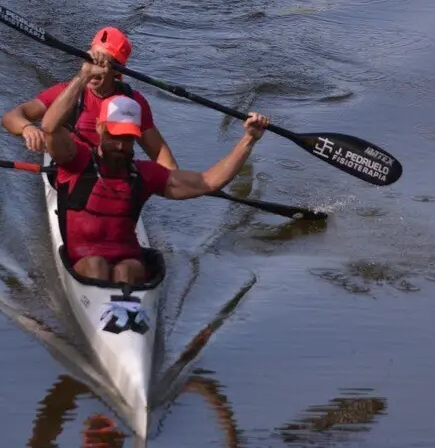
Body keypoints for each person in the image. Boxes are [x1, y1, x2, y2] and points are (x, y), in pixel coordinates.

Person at [42, 56, 269, 284]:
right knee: (96, 264)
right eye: (115, 136)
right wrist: (84, 76)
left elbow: (208, 182)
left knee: (126, 271)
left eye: (128, 139)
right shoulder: (75, 162)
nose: (121, 146)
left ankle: (124, 308)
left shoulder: (143, 175)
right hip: (85, 263)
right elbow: (50, 128)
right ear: (100, 129)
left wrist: (248, 140)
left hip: (129, 266)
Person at [1, 26, 179, 170]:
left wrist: (171, 184)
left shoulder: (133, 102)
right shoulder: (66, 92)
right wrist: (27, 128)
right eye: (90, 60)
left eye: (101, 64)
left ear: (117, 70)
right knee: (51, 128)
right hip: (70, 165)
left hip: (112, 169)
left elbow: (161, 155)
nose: (94, 70)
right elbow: (11, 117)